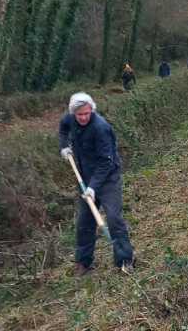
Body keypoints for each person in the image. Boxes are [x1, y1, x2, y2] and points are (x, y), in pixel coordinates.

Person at [58, 92, 134, 275]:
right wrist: (64, 146)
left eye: (86, 113)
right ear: (73, 113)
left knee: (114, 218)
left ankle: (125, 261)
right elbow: (63, 127)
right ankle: (84, 262)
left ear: (91, 109)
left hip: (108, 179)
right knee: (85, 221)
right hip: (84, 177)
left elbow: (106, 162)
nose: (83, 117)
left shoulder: (101, 128)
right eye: (79, 114)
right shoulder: (70, 119)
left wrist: (93, 188)